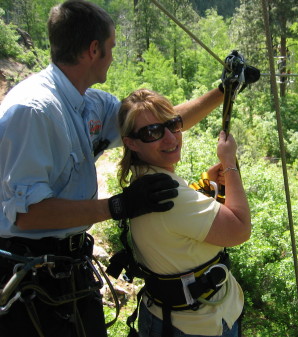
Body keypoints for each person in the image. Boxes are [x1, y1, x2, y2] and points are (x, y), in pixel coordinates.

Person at [0, 1, 228, 336]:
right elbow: (26, 214)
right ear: (94, 50)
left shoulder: (90, 102)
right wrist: (119, 206)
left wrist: (223, 91)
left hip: (67, 265)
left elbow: (158, 124)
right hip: (30, 273)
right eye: (111, 48)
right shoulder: (33, 112)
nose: (113, 54)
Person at [117, 88, 251, 337]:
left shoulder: (145, 185)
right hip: (197, 325)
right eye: (152, 132)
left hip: (172, 317)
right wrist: (230, 163)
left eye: (173, 124)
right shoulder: (172, 197)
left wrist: (205, 185)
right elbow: (240, 229)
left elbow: (176, 218)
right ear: (131, 142)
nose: (170, 138)